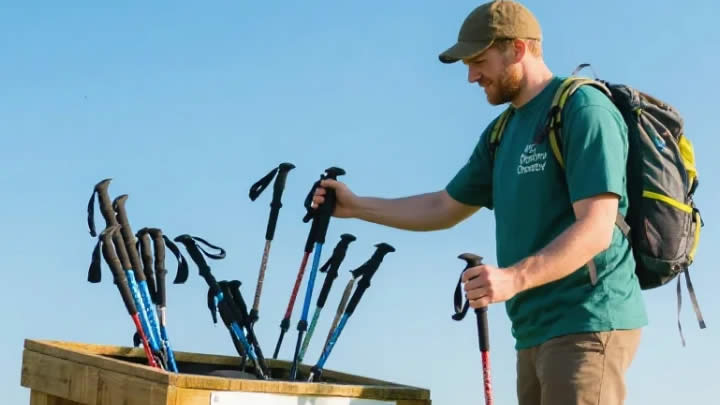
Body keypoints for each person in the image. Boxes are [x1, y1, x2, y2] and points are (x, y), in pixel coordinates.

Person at [311, 1, 647, 404]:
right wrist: (355, 207)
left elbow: (596, 228)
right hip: (532, 329)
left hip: (587, 322)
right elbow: (443, 206)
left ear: (517, 49)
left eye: (479, 62)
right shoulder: (501, 133)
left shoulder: (583, 109)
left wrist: (512, 279)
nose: (471, 76)